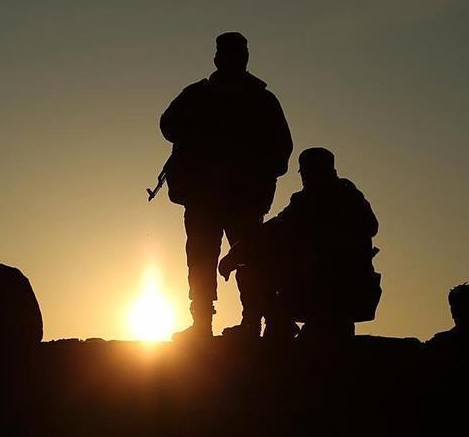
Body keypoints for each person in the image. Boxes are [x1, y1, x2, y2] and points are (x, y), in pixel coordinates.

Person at [160, 32, 293, 340]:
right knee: (202, 259)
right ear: (218, 58)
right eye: (231, 55)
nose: (236, 61)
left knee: (249, 258)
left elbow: (281, 151)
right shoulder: (198, 95)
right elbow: (168, 125)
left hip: (242, 198)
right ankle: (203, 323)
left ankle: (252, 322)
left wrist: (256, 172)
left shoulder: (261, 100)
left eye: (240, 55)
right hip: (204, 197)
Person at [219, 147, 381, 341]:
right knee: (255, 263)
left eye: (309, 172)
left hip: (339, 287)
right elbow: (273, 230)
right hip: (327, 285)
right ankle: (272, 323)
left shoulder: (338, 200)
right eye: (304, 173)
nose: (305, 178)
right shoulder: (313, 200)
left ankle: (278, 323)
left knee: (257, 268)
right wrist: (238, 253)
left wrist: (238, 254)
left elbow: (277, 231)